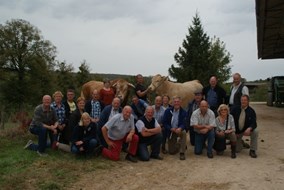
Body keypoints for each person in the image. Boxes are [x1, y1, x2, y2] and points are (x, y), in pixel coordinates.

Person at [163, 96, 187, 160]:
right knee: (171, 152)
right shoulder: (168, 111)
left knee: (184, 133)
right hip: (171, 130)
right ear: (172, 103)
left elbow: (185, 123)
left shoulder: (184, 112)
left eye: (178, 102)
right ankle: (180, 143)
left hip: (179, 130)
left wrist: (180, 128)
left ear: (180, 102)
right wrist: (170, 128)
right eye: (175, 102)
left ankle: (182, 153)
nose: (176, 103)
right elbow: (164, 123)